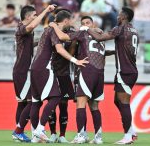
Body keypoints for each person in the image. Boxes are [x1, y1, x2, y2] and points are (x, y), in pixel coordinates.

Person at [49, 15, 114, 144]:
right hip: (100, 73)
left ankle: (81, 135)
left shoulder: (82, 34)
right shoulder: (100, 36)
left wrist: (54, 25)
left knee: (81, 103)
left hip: (86, 70)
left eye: (87, 22)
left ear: (93, 24)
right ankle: (98, 137)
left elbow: (63, 38)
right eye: (83, 22)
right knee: (94, 105)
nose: (85, 24)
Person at [30, 10, 88, 143]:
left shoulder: (50, 29)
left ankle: (37, 134)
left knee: (37, 101)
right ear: (66, 20)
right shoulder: (53, 30)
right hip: (47, 68)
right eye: (71, 19)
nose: (73, 22)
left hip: (38, 68)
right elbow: (61, 47)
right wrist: (76, 61)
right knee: (55, 97)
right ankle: (41, 130)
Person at [87, 7, 139, 144]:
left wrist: (85, 29)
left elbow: (98, 38)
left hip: (125, 71)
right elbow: (122, 48)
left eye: (119, 15)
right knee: (117, 101)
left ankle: (128, 136)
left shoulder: (119, 28)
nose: (117, 17)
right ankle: (131, 131)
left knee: (124, 102)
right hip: (130, 70)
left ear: (123, 17)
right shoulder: (134, 30)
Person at [11, 4, 56, 143]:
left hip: (21, 70)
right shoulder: (22, 28)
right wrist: (46, 11)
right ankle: (19, 131)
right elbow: (30, 27)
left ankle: (23, 132)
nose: (36, 17)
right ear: (28, 16)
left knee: (23, 103)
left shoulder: (25, 31)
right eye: (35, 15)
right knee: (32, 101)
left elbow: (31, 42)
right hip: (22, 71)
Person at [47, 9, 77, 144]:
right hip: (52, 72)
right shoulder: (51, 30)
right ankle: (53, 133)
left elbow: (69, 42)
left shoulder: (70, 32)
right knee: (52, 104)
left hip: (64, 73)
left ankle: (62, 135)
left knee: (64, 105)